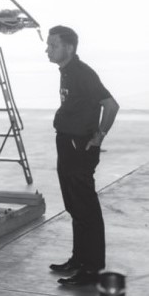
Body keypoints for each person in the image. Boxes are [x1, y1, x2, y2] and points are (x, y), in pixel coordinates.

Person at [45, 25, 120, 286]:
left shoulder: (82, 73)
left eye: (53, 45)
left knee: (85, 206)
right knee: (74, 204)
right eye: (48, 44)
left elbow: (110, 105)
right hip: (66, 142)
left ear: (69, 47)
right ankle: (79, 258)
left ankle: (91, 268)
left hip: (80, 146)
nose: (48, 49)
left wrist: (99, 136)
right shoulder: (67, 71)